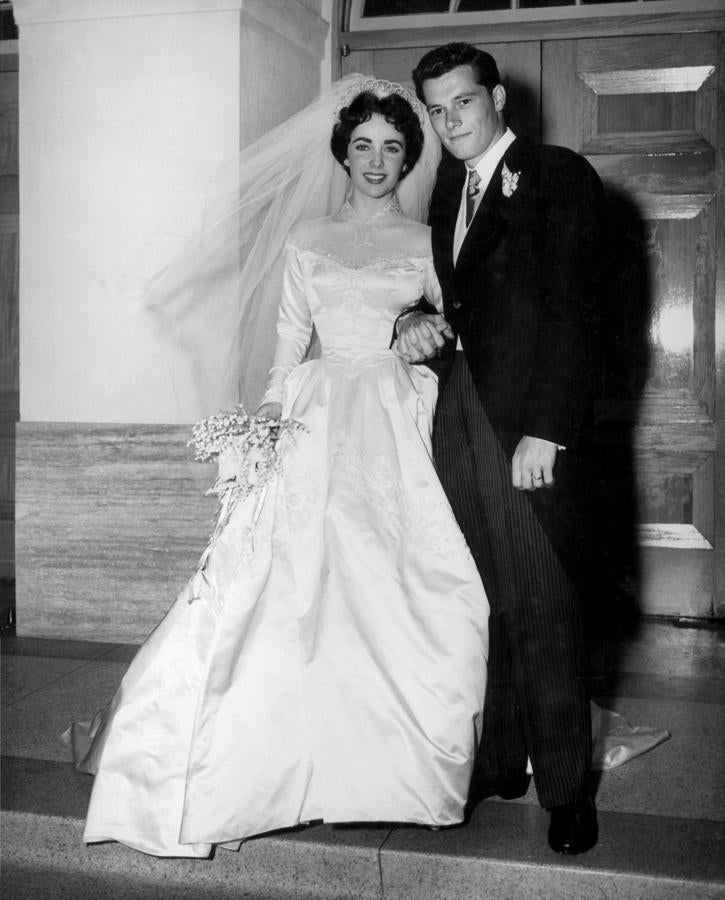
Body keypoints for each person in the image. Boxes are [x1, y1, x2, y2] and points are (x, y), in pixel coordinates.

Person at [67, 78, 490, 858]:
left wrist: (425, 330)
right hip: (315, 411)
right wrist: (262, 428)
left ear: (407, 159)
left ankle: (386, 770)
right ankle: (259, 761)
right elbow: (289, 344)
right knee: (283, 580)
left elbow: (462, 325)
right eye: (361, 145)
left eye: (392, 146)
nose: (375, 161)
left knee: (402, 579)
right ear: (342, 153)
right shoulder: (306, 238)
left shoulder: (427, 241)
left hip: (398, 415)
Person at [397, 43, 607, 855]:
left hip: (526, 430)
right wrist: (404, 323)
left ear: (496, 100)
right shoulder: (448, 189)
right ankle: (501, 760)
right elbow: (442, 299)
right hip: (459, 420)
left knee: (545, 602)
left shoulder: (557, 176)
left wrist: (547, 429)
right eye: (437, 109)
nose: (450, 121)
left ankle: (564, 790)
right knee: (484, 599)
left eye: (463, 103)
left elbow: (575, 309)